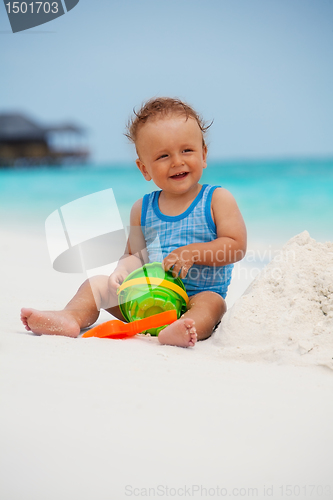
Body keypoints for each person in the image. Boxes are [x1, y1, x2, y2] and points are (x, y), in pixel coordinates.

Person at [21, 98, 247, 348]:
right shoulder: (142, 209)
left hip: (194, 301)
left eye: (187, 150)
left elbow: (236, 246)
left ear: (203, 154)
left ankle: (180, 330)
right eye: (163, 156)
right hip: (146, 301)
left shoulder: (216, 199)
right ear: (144, 169)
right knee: (95, 284)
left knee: (213, 303)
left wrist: (193, 253)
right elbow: (134, 256)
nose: (177, 161)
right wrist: (121, 271)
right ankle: (70, 317)